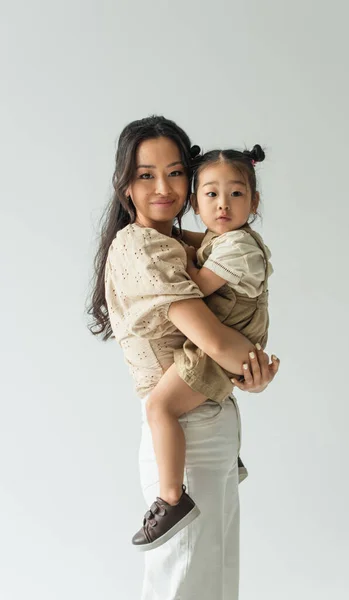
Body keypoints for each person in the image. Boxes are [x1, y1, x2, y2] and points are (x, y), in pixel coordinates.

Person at [88, 115, 280, 600]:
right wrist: (256, 365)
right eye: (146, 174)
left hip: (209, 422)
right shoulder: (142, 247)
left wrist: (249, 373)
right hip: (187, 434)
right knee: (186, 584)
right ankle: (170, 500)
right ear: (125, 185)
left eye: (175, 172)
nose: (163, 187)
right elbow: (215, 341)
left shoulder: (174, 242)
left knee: (209, 581)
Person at [129, 143, 276, 554]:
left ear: (254, 201)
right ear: (196, 200)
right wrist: (175, 236)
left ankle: (172, 499)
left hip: (218, 348)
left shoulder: (238, 248)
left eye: (236, 194)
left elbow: (194, 282)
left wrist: (169, 252)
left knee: (160, 407)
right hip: (222, 345)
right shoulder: (224, 238)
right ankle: (230, 459)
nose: (223, 205)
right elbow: (194, 239)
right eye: (211, 194)